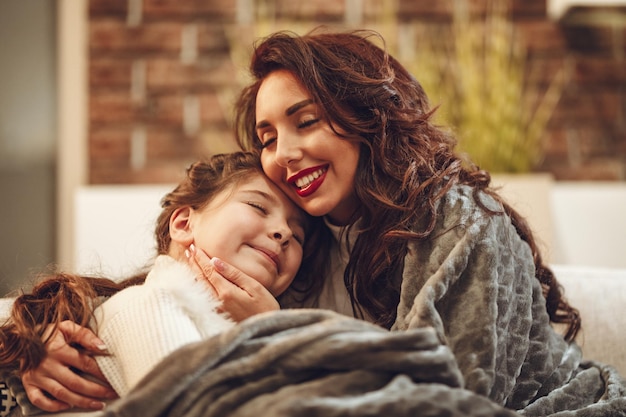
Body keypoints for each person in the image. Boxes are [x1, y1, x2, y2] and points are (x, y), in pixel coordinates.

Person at [12, 29, 626, 415]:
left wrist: (280, 334)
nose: (282, 155)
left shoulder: (462, 223)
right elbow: (161, 295)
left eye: (306, 122)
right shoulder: (311, 237)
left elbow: (459, 396)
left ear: (367, 118)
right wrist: (35, 337)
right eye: (268, 136)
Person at [0, 151, 327, 412]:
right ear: (184, 223)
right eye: (258, 206)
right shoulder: (152, 304)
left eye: (297, 235)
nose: (283, 232)